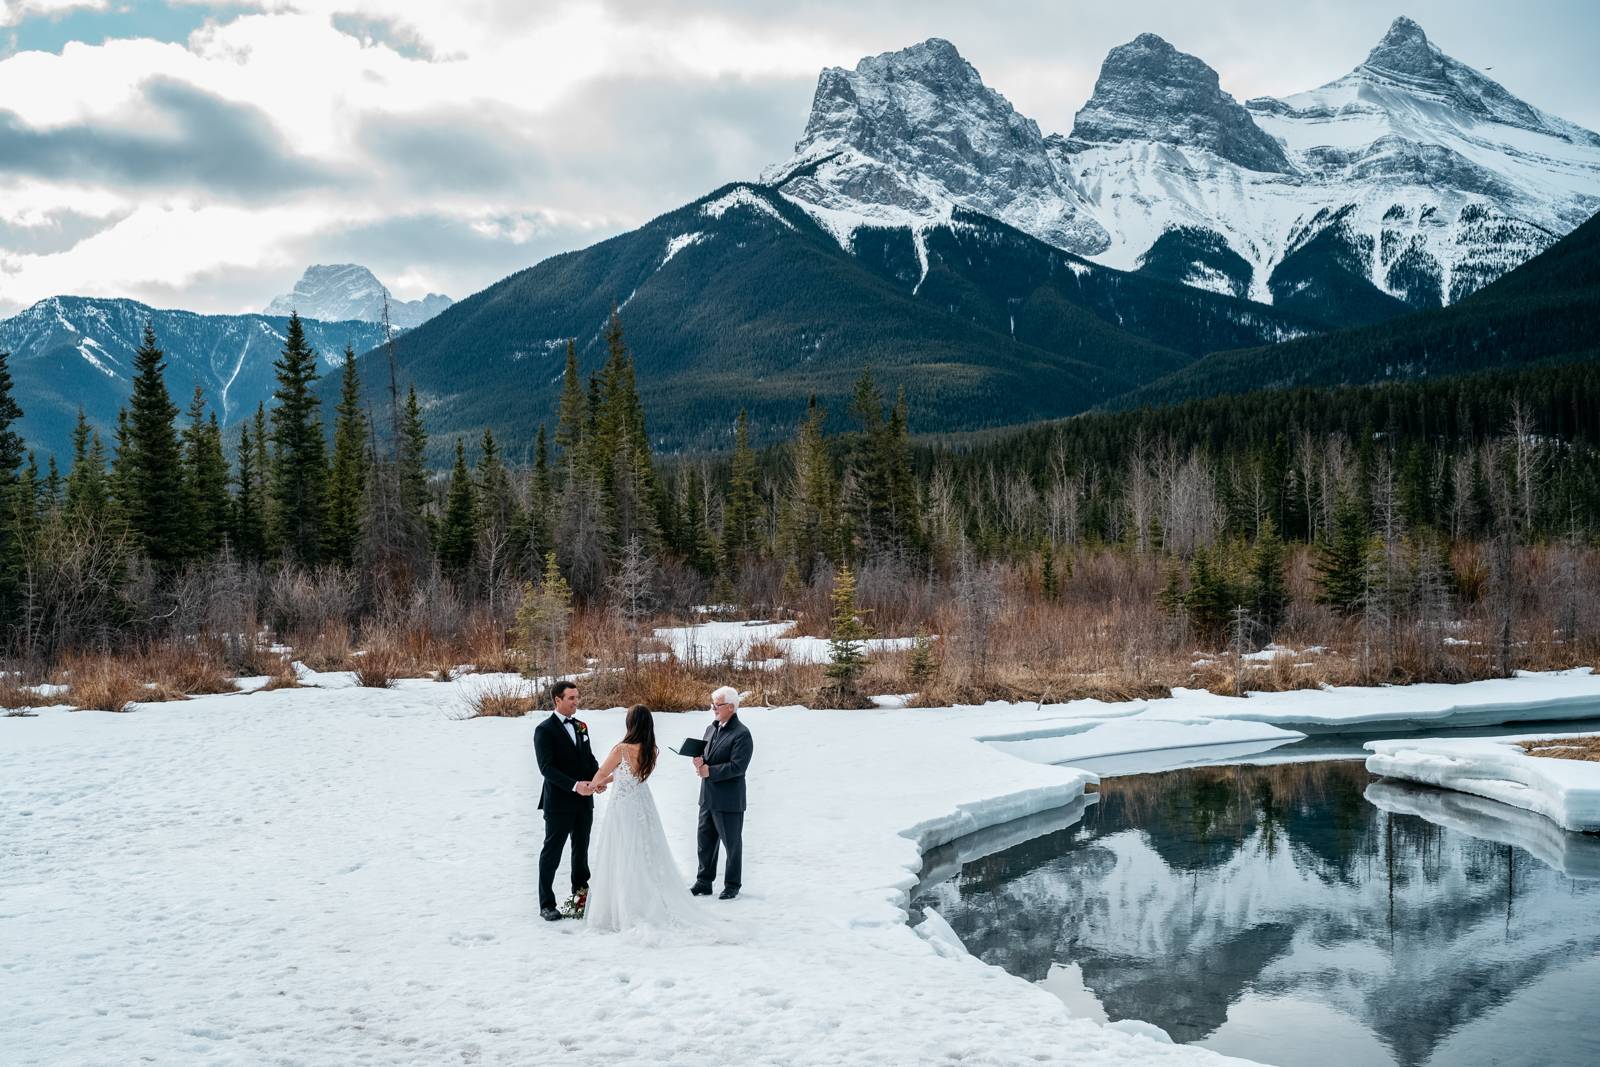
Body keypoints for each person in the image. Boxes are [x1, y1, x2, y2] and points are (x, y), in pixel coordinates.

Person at [583, 705, 704, 933]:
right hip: (642, 803)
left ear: (631, 723)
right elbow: (624, 774)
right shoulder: (650, 749)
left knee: (622, 851)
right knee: (644, 850)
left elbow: (601, 772)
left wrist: (594, 784)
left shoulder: (621, 748)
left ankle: (627, 904)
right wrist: (603, 783)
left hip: (623, 806)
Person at [533, 680, 601, 922]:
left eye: (577, 697)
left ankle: (578, 902)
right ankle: (546, 904)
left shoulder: (581, 726)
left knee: (580, 853)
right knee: (552, 852)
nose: (576, 702)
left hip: (584, 802)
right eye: (571, 698)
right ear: (557, 700)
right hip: (559, 803)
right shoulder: (544, 730)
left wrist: (597, 779)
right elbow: (547, 768)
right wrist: (575, 786)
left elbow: (589, 759)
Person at [691, 685, 753, 900]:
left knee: (732, 844)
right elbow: (706, 757)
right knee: (704, 841)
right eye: (712, 705)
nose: (713, 709)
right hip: (707, 797)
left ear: (731, 707)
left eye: (717, 705)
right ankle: (703, 881)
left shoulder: (742, 734)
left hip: (728, 799)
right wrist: (699, 762)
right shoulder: (711, 728)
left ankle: (732, 884)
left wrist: (710, 770)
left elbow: (738, 767)